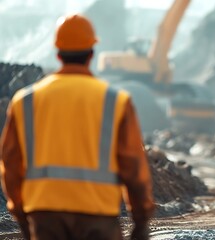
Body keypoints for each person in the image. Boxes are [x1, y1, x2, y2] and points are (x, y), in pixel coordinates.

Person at [0, 14, 154, 240]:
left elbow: (10, 164)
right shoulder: (115, 101)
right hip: (98, 217)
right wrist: (140, 220)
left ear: (58, 53)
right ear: (91, 54)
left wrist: (22, 215)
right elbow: (133, 165)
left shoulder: (25, 101)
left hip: (45, 217)